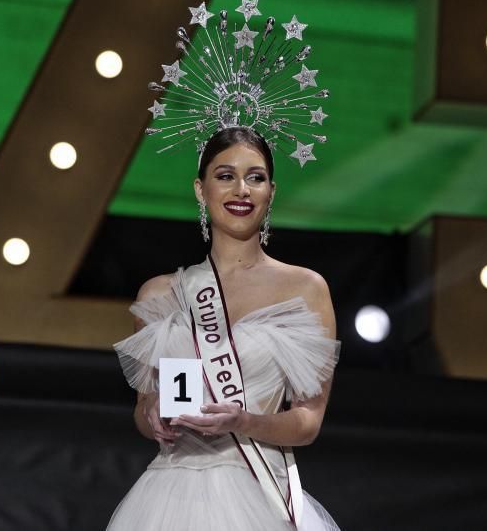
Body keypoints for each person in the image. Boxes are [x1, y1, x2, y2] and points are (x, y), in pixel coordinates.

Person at [107, 126, 340, 530]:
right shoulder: (160, 294)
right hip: (168, 498)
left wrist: (243, 422)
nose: (241, 190)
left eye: (256, 177)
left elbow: (308, 421)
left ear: (271, 191)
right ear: (201, 189)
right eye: (225, 175)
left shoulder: (305, 289)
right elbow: (143, 412)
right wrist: (155, 414)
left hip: (260, 488)